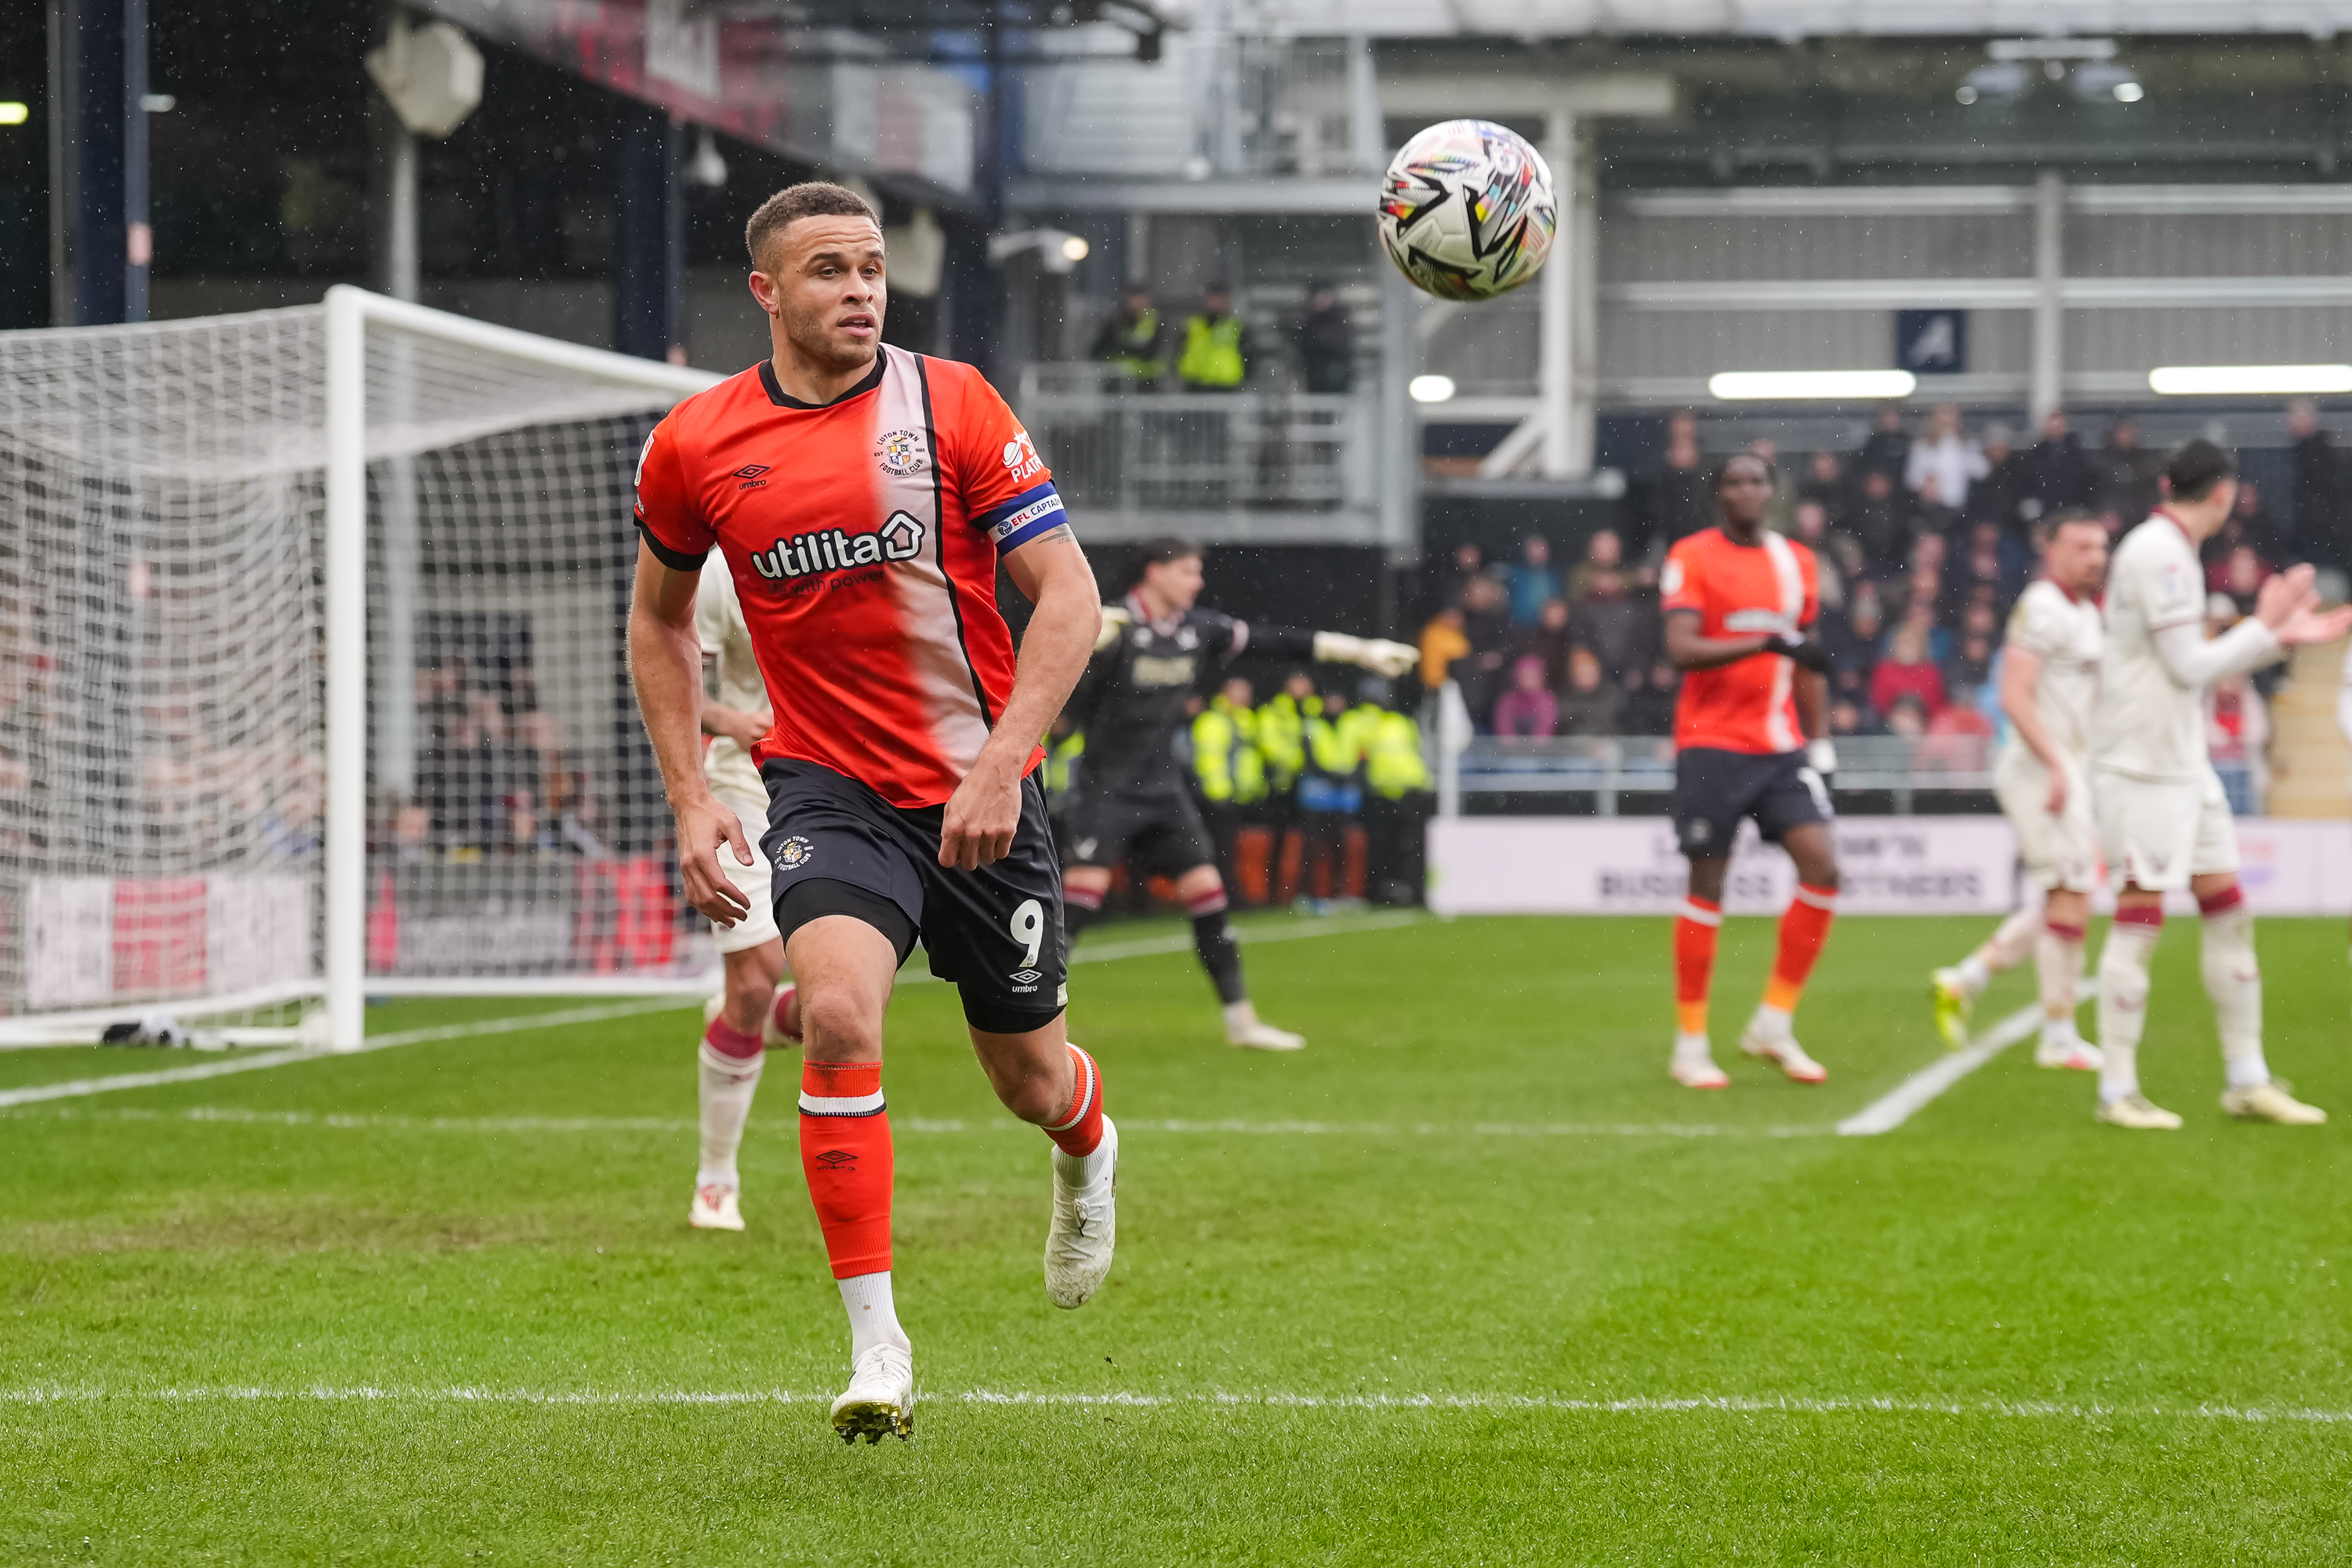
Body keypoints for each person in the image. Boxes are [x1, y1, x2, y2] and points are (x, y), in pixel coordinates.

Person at [629, 180, 1115, 1443]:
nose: (860, 289)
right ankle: (877, 1350)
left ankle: (1085, 1150)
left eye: (872, 268)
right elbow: (659, 621)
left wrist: (1004, 762)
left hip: (980, 786)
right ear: (768, 291)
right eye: (831, 269)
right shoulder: (695, 443)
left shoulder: (951, 402)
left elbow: (1069, 598)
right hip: (826, 790)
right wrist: (692, 803)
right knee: (836, 1015)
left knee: (1029, 1077)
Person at [2085, 440, 2350, 1130]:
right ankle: (2117, 1091)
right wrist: (2268, 629)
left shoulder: (2164, 549)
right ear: (2225, 494)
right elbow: (2191, 666)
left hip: (2180, 763)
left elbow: (2191, 662)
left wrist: (2276, 636)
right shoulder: (2160, 553)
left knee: (2229, 909)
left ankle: (2247, 1079)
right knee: (2139, 917)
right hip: (2142, 766)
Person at [1060, 538, 1416, 1050]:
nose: (1197, 582)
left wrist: (1359, 651)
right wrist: (1081, 639)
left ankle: (1241, 1022)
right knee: (1078, 907)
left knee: (1209, 898)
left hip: (1163, 791)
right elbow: (1060, 688)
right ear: (1154, 574)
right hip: (1107, 791)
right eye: (1187, 571)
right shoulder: (1112, 627)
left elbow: (1277, 641)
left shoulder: (1199, 630)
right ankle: (1029, 1023)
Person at [1660, 452, 1842, 1091]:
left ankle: (1773, 1021)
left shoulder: (1798, 562)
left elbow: (1808, 659)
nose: (1747, 490)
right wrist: (1765, 642)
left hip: (1781, 746)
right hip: (1711, 745)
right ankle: (1690, 1043)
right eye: (1734, 481)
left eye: (1757, 480)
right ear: (1718, 495)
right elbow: (1682, 650)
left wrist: (1820, 742)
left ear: (1771, 490)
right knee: (1708, 885)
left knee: (1823, 868)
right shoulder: (1692, 556)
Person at [1929, 512, 2111, 1069]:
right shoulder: (2041, 608)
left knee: (2067, 895)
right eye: (2081, 545)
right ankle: (2057, 1037)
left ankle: (1967, 978)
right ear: (2051, 548)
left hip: (2066, 766)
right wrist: (2057, 764)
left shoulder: (2084, 613)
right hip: (2040, 768)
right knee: (2072, 894)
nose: (2095, 557)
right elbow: (2014, 695)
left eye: (2102, 547)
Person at [685, 550, 802, 1233]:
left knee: (837, 1007)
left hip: (853, 788)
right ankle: (715, 1179)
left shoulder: (867, 537)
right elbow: (669, 674)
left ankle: (740, 1019)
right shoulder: (718, 571)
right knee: (757, 980)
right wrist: (726, 720)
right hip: (747, 789)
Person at [1190, 675, 1265, 897]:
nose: (1245, 697)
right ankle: (1221, 893)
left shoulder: (1246, 720)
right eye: (1240, 691)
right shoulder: (1213, 720)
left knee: (1228, 847)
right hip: (1217, 796)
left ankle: (1227, 891)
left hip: (1237, 795)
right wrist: (1218, 792)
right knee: (1218, 847)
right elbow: (1209, 759)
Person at [2288, 399, 2349, 582]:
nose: (2292, 422)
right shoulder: (2297, 455)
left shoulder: (2318, 458)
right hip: (2316, 549)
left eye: (2299, 416)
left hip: (2324, 550)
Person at [1905, 403, 1988, 516]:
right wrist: (1927, 481)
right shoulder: (1923, 447)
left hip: (1957, 510)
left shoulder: (1968, 445)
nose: (1947, 427)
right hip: (1931, 509)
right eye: (1943, 423)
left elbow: (1983, 471)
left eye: (1951, 422)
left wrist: (1960, 449)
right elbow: (1912, 480)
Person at [2020, 409, 2098, 524]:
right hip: (2045, 514)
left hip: (2072, 512)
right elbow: (2029, 485)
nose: (2055, 430)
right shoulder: (2035, 456)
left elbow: (2085, 484)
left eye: (2059, 426)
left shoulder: (2078, 455)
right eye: (2052, 426)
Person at [1176, 284, 1249, 390]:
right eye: (1213, 299)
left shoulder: (1237, 327)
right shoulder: (1192, 325)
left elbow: (1247, 355)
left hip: (1227, 385)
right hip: (1194, 383)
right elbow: (1178, 351)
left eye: (1220, 299)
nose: (1216, 303)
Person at [1090, 285, 1166, 386]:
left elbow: (1152, 351)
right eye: (1132, 299)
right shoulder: (1115, 322)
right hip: (1117, 380)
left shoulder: (1155, 322)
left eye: (1139, 299)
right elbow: (1098, 350)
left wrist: (1122, 348)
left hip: (1145, 382)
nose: (1136, 303)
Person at [2095, 416, 2163, 526]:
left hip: (2141, 517)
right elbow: (2099, 492)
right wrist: (2107, 511)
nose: (2125, 436)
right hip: (2113, 520)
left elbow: (2151, 491)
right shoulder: (2103, 461)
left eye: (2129, 431)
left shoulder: (2146, 460)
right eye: (2122, 431)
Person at [1291, 279, 1353, 394]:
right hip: (1312, 373)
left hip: (1333, 373)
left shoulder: (1339, 319)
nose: (1323, 301)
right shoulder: (1306, 321)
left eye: (1326, 296)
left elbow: (1339, 346)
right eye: (1320, 297)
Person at [1555, 645, 1623, 736]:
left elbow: (1608, 719)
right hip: (1577, 744)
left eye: (1590, 673)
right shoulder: (1567, 696)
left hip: (1606, 741)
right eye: (1582, 675)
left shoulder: (1610, 693)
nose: (1587, 678)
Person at [1491, 655, 1558, 739]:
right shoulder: (1507, 700)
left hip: (1539, 749)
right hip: (1512, 749)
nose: (1527, 680)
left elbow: (1545, 728)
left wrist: (1533, 747)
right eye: (1524, 676)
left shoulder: (1546, 700)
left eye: (1532, 676)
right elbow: (1503, 727)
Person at [1508, 535, 1562, 627]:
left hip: (1553, 629)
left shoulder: (1557, 575)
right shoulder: (1516, 576)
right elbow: (1516, 608)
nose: (1538, 553)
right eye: (1534, 549)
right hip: (1524, 628)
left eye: (1542, 549)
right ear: (1526, 552)